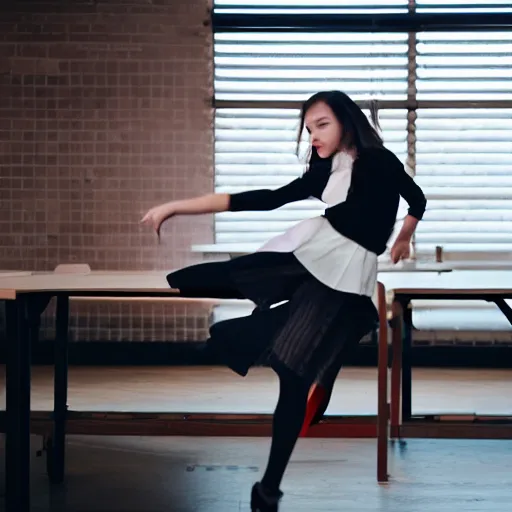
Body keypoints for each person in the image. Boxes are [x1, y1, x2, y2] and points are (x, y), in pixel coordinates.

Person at [140, 90, 427, 511]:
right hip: (308, 258)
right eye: (309, 129)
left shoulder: (379, 162)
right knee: (190, 279)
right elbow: (264, 198)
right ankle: (276, 349)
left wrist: (401, 238)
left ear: (347, 121)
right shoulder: (323, 172)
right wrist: (176, 207)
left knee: (294, 377)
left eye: (321, 125)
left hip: (347, 280)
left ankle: (268, 489)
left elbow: (416, 199)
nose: (313, 136)